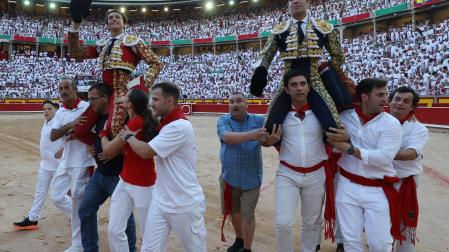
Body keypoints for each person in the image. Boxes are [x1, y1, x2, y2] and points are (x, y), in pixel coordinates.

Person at [120, 82, 206, 251]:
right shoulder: (167, 123)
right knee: (149, 249)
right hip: (161, 199)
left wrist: (129, 137)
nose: (151, 103)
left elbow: (145, 152)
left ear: (170, 101)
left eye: (156, 99)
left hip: (184, 203)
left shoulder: (179, 126)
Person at [250, 0, 354, 135]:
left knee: (333, 127)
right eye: (291, 0)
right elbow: (266, 55)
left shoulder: (322, 27)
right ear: (288, 4)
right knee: (270, 127)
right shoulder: (279, 31)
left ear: (307, 2)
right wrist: (261, 71)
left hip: (314, 80)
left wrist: (325, 71)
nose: (295, 1)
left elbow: (339, 55)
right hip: (287, 84)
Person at [261, 70, 335, 252]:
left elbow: (339, 135)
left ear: (309, 87)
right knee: (283, 223)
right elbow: (264, 139)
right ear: (286, 89)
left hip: (316, 174)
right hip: (288, 174)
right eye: (294, 85)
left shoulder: (322, 115)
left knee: (311, 222)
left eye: (303, 84)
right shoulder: (279, 116)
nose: (299, 88)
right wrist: (266, 143)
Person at [326, 78, 404, 251]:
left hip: (377, 189)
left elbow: (384, 157)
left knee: (380, 244)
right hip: (347, 186)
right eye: (380, 95)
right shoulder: (344, 118)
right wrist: (342, 141)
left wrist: (350, 148)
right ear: (364, 97)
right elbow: (334, 148)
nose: (386, 99)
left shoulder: (391, 124)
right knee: (350, 242)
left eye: (385, 94)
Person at [68, 9, 163, 144]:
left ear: (124, 23)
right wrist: (75, 26)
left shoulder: (133, 42)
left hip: (122, 90)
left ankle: (120, 156)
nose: (113, 19)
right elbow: (75, 53)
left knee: (115, 127)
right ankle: (98, 149)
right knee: (79, 131)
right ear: (107, 25)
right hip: (102, 92)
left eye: (117, 17)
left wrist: (140, 87)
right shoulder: (102, 44)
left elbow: (157, 63)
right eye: (110, 18)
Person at [77, 83, 137, 252]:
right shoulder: (99, 117)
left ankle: (131, 249)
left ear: (105, 98)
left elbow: (134, 139)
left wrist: (116, 151)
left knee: (124, 218)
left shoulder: (120, 116)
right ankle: (90, 249)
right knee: (85, 209)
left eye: (93, 99)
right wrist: (93, 145)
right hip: (100, 174)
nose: (90, 103)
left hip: (119, 176)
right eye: (88, 100)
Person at [101, 88, 158, 252]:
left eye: (125, 98)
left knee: (148, 234)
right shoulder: (138, 119)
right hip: (129, 180)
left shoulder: (134, 123)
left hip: (141, 184)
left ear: (130, 104)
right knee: (118, 229)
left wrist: (103, 133)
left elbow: (107, 151)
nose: (122, 98)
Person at [49, 77, 95, 252]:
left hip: (83, 161)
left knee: (77, 202)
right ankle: (84, 219)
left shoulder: (86, 108)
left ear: (74, 89)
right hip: (67, 159)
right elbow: (53, 135)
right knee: (57, 196)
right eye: (60, 88)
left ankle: (78, 244)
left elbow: (93, 131)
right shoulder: (60, 112)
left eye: (66, 87)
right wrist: (72, 125)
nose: (63, 91)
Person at [217, 92, 267, 252]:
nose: (234, 104)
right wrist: (253, 135)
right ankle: (239, 239)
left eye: (239, 101)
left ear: (247, 105)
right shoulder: (223, 120)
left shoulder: (259, 120)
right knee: (233, 211)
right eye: (231, 102)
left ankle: (247, 248)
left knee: (248, 214)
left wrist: (266, 139)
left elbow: (271, 136)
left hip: (251, 178)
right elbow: (227, 138)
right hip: (229, 177)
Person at [389, 86, 429, 252]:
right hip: (379, 182)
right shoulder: (379, 122)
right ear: (390, 102)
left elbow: (412, 153)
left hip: (404, 183)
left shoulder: (418, 128)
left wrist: (381, 154)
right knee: (380, 229)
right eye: (397, 99)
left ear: (412, 107)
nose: (400, 103)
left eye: (406, 101)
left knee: (404, 228)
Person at [13, 100, 63, 230]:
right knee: (40, 192)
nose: (46, 111)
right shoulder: (46, 122)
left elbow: (72, 134)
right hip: (46, 164)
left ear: (56, 110)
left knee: (67, 194)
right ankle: (32, 218)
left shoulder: (59, 121)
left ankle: (80, 216)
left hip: (59, 166)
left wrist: (64, 150)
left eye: (49, 108)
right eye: (44, 109)